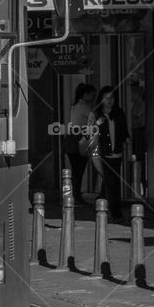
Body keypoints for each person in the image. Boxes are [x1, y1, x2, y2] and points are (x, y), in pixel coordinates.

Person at [90, 85, 129, 223]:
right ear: (101, 99)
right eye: (106, 98)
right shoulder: (95, 115)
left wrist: (128, 144)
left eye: (112, 98)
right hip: (102, 154)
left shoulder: (119, 113)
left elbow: (124, 132)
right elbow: (89, 133)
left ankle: (99, 204)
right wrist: (97, 124)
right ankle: (116, 214)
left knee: (109, 183)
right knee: (112, 184)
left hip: (117, 154)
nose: (109, 100)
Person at [64, 83, 95, 204]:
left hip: (71, 139)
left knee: (76, 170)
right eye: (92, 95)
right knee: (79, 170)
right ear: (86, 94)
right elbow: (94, 119)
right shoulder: (84, 106)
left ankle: (75, 195)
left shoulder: (75, 105)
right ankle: (76, 196)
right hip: (79, 140)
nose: (93, 98)